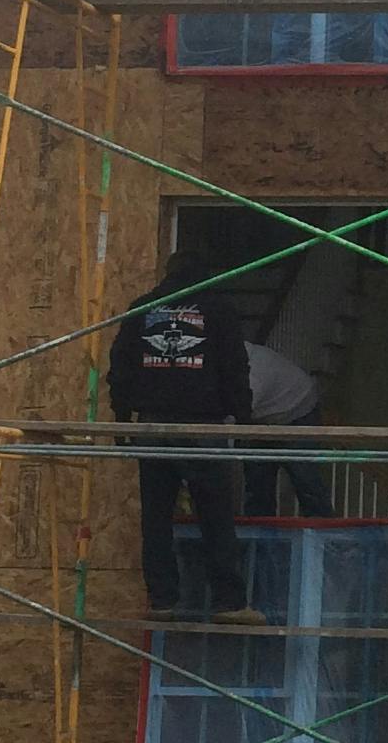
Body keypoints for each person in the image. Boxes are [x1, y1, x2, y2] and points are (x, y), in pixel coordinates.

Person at [107, 262, 259, 622]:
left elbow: (121, 365)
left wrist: (121, 418)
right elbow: (234, 367)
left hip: (153, 424)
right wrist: (244, 417)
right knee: (216, 515)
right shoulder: (218, 309)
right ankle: (229, 602)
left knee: (156, 516)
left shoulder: (143, 308)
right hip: (202, 423)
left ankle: (162, 598)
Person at [241, 341, 337, 518]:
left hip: (299, 412)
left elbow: (238, 412)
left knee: (306, 480)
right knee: (257, 487)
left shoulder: (254, 373)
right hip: (261, 421)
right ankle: (261, 542)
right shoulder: (240, 356)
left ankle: (323, 539)